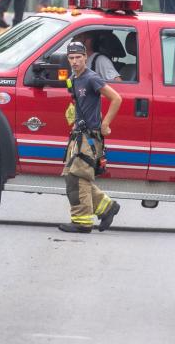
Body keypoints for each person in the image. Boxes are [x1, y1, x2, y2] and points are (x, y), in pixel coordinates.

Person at [59, 41, 123, 234]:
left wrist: (105, 125)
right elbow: (78, 102)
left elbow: (116, 98)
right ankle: (107, 207)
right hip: (78, 135)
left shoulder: (91, 78)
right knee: (73, 176)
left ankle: (82, 222)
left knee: (78, 177)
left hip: (89, 138)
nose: (75, 61)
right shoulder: (73, 78)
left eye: (79, 57)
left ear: (86, 57)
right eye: (71, 58)